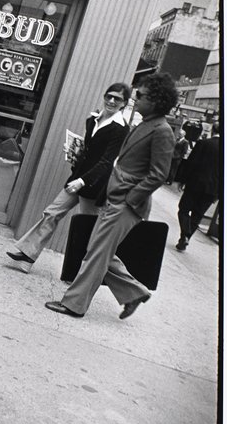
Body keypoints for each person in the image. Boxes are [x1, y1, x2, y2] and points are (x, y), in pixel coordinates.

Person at [45, 72, 177, 320]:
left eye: (140, 95)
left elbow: (159, 174)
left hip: (126, 204)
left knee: (96, 254)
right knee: (98, 250)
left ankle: (74, 304)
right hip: (115, 199)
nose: (135, 99)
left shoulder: (162, 131)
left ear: (156, 100)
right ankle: (134, 292)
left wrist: (130, 199)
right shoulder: (145, 124)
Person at [5, 83, 131, 273]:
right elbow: (89, 151)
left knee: (90, 231)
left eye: (118, 99)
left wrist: (82, 181)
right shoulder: (93, 119)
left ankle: (92, 272)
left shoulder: (120, 129)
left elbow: (106, 161)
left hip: (94, 185)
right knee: (52, 213)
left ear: (125, 103)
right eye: (109, 96)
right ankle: (27, 256)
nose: (112, 101)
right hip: (77, 178)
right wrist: (74, 152)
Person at [175, 121, 221, 251]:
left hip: (195, 184)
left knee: (183, 209)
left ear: (213, 130)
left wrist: (182, 180)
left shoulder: (203, 143)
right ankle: (185, 239)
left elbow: (191, 163)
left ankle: (185, 234)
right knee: (198, 215)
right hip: (213, 189)